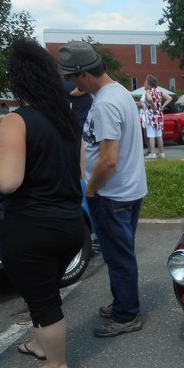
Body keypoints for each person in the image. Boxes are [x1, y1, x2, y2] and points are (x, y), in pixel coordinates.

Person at [0, 39, 85, 368]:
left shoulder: (17, 120)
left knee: (43, 302)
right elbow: (80, 170)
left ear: (19, 80)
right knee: (45, 292)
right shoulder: (66, 119)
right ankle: (44, 346)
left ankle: (55, 364)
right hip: (70, 223)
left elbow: (9, 182)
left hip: (31, 226)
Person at [57, 40, 146, 337]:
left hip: (112, 194)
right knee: (121, 253)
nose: (70, 84)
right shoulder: (118, 92)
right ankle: (123, 302)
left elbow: (108, 160)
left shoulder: (106, 103)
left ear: (83, 74)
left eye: (71, 77)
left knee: (118, 257)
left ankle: (126, 315)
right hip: (129, 189)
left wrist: (91, 190)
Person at [139, 74, 171, 159]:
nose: (144, 83)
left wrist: (153, 106)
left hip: (151, 115)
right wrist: (162, 107)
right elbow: (169, 98)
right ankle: (161, 153)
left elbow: (149, 99)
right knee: (159, 135)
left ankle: (152, 153)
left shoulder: (148, 92)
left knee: (151, 135)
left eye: (145, 82)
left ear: (149, 83)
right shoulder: (159, 91)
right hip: (159, 116)